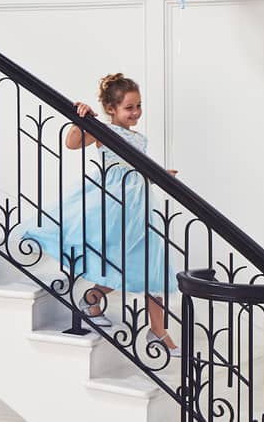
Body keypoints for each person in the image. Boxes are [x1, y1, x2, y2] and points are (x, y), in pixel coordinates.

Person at [25, 73, 179, 357]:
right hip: (112, 203)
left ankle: (158, 331)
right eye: (129, 107)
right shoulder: (103, 130)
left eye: (138, 106)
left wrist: (159, 175)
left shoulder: (138, 137)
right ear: (112, 109)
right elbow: (71, 143)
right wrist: (81, 118)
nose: (136, 112)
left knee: (152, 265)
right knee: (117, 260)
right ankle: (92, 299)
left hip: (139, 207)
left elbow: (138, 170)